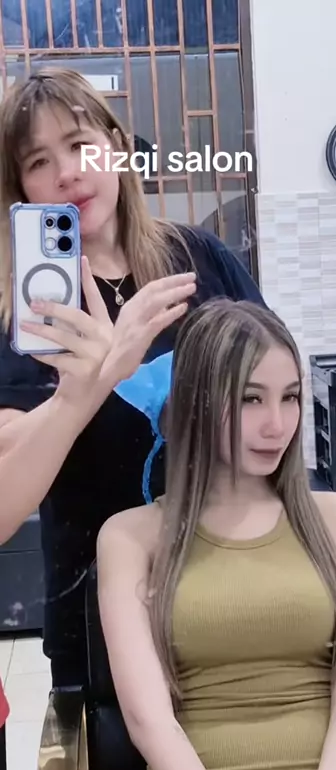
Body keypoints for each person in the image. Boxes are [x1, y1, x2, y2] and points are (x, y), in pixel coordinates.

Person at [96, 299, 336, 770]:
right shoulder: (129, 538)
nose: (276, 425)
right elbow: (149, 719)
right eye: (250, 399)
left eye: (290, 397)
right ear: (196, 402)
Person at [0, 67, 267, 689]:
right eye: (39, 161)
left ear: (117, 148)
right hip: (94, 618)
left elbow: (274, 400)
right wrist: (89, 385)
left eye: (80, 144)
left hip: (230, 589)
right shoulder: (25, 318)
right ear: (22, 190)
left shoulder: (199, 262)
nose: (67, 172)